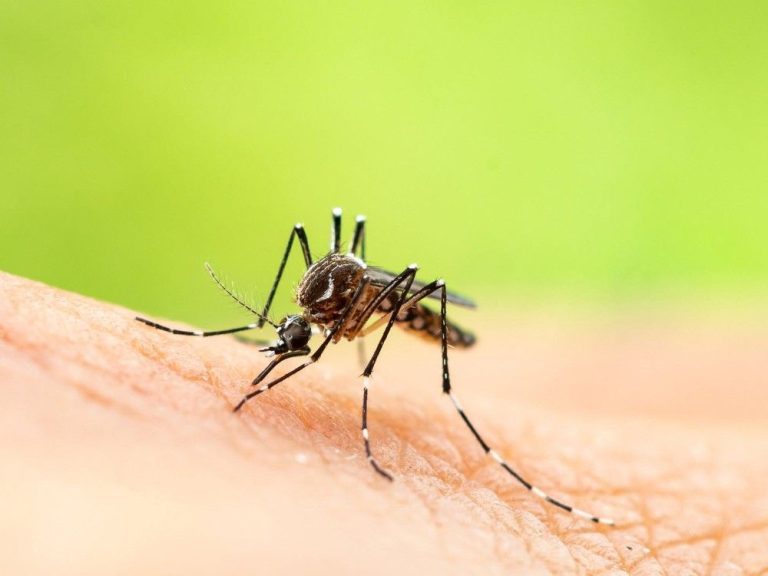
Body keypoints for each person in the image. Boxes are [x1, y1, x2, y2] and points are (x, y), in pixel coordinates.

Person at [1, 271, 766, 575]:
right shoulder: (311, 311)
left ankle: (451, 413)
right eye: (290, 337)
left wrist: (365, 421)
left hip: (398, 301)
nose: (289, 347)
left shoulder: (348, 312)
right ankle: (218, 337)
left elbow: (376, 294)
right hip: (351, 300)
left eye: (291, 337)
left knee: (378, 302)